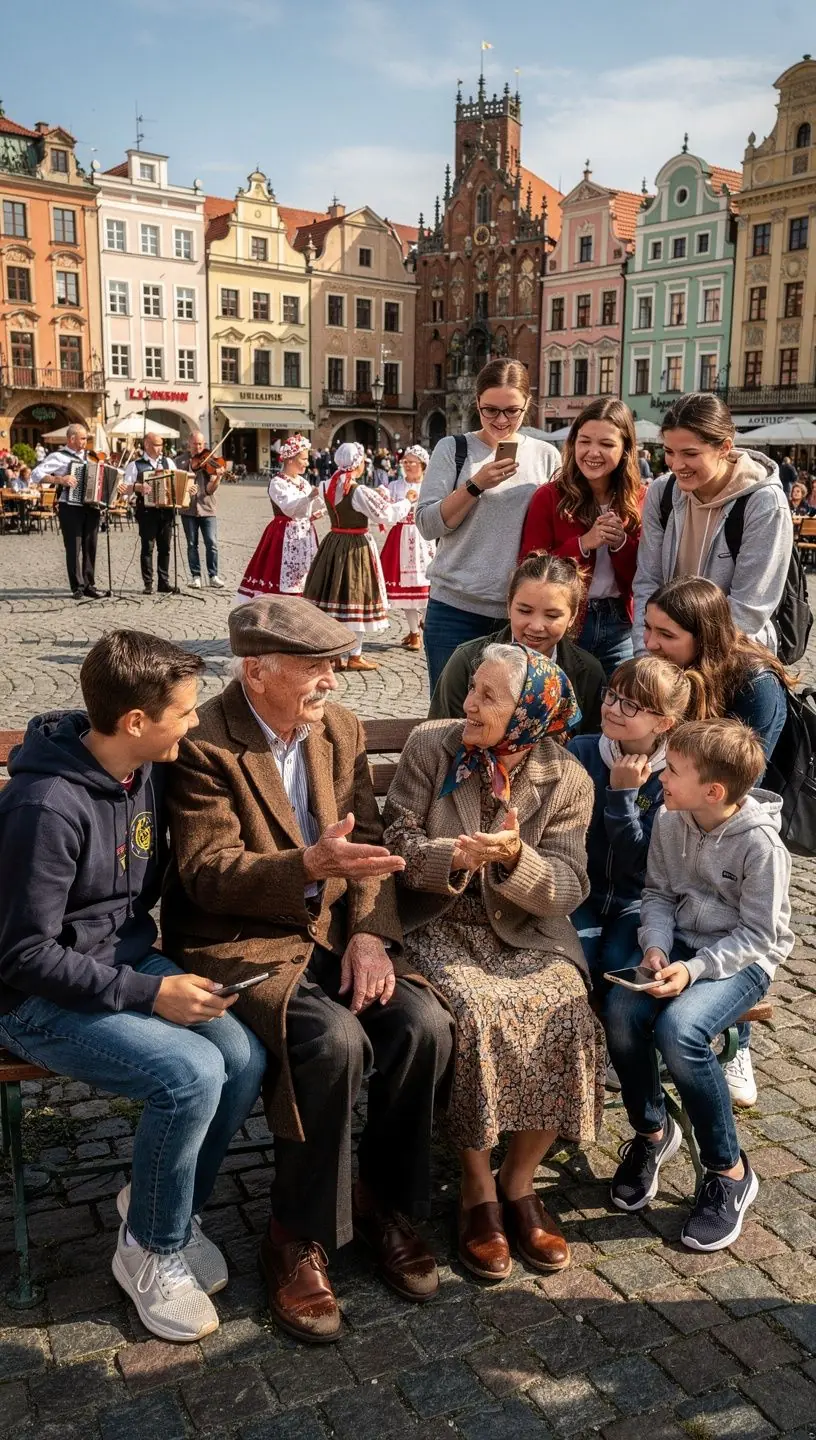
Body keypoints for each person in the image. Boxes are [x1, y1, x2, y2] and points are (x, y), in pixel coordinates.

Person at [161, 597, 454, 1344]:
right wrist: (307, 865)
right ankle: (295, 1233)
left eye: (334, 664)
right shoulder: (203, 742)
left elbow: (376, 854)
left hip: (334, 936)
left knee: (423, 1025)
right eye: (314, 667)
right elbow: (205, 874)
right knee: (333, 1043)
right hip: (243, 941)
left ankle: (383, 1201)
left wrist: (372, 938)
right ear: (255, 670)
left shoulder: (341, 729)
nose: (332, 680)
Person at [0, 631, 267, 1343]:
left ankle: (159, 1208)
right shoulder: (46, 807)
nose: (194, 723)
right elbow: (23, 952)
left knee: (241, 1057)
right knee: (189, 1072)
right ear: (136, 722)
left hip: (119, 965)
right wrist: (151, 995)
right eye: (183, 712)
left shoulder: (140, 770)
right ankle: (151, 1251)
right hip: (33, 1000)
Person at [383, 644, 603, 1282]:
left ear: (529, 713)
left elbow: (568, 884)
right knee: (477, 1016)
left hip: (527, 933)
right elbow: (394, 835)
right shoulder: (433, 746)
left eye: (488, 696)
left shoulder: (566, 779)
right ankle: (477, 1187)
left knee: (571, 1015)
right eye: (472, 688)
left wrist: (512, 862)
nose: (469, 704)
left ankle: (519, 1179)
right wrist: (453, 857)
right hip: (440, 924)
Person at [606, 719, 793, 1252]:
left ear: (712, 791)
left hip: (744, 960)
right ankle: (651, 1133)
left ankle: (729, 1171)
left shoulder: (760, 846)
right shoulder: (670, 817)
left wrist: (694, 970)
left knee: (681, 1031)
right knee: (621, 1009)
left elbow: (760, 934)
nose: (662, 773)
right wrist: (657, 949)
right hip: (682, 945)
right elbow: (659, 893)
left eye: (675, 769)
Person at [416, 359, 560, 692]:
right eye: (490, 410)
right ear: (476, 403)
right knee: (450, 712)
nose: (501, 420)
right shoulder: (453, 449)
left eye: (512, 411)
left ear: (527, 405)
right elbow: (427, 525)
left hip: (521, 614)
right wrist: (474, 484)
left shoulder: (546, 455)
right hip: (454, 606)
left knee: (511, 714)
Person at [567, 656, 704, 1004]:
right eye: (611, 695)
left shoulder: (669, 779)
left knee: (615, 965)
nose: (612, 708)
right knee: (578, 956)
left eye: (631, 705)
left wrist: (623, 795)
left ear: (663, 723)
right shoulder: (582, 751)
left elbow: (638, 860)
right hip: (579, 890)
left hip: (637, 901)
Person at [632, 392, 793, 655]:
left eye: (690, 453)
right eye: (669, 452)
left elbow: (748, 610)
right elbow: (648, 582)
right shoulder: (662, 492)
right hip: (666, 652)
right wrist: (645, 653)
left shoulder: (764, 502)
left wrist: (694, 663)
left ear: (725, 448)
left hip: (733, 655)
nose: (676, 465)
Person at [519, 398, 645, 679]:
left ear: (625, 449)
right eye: (585, 441)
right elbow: (529, 568)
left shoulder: (639, 499)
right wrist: (583, 544)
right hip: (565, 620)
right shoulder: (549, 496)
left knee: (619, 707)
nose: (593, 452)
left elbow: (643, 574)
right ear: (573, 443)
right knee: (562, 711)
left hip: (619, 622)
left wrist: (621, 544)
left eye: (607, 444)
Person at [429, 550, 604, 733]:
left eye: (551, 615)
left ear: (572, 616)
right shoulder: (467, 660)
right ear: (508, 605)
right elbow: (439, 737)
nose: (536, 626)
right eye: (525, 611)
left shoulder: (588, 673)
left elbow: (589, 749)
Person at [303, 441, 411, 671]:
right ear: (358, 463)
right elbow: (386, 515)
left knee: (333, 599)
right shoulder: (357, 490)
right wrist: (407, 501)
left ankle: (333, 654)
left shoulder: (325, 485)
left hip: (333, 543)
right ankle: (355, 655)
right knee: (357, 598)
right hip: (356, 546)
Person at [237, 434, 322, 602]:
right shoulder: (278, 483)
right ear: (290, 459)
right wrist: (309, 498)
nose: (307, 463)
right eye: (303, 459)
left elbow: (307, 508)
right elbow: (290, 508)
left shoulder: (303, 482)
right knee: (278, 570)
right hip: (283, 534)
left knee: (304, 573)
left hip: (304, 532)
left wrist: (315, 510)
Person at [31, 423, 102, 599]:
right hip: (70, 507)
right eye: (83, 438)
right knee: (74, 547)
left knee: (90, 547)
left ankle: (89, 585)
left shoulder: (91, 456)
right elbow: (36, 474)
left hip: (91, 506)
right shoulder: (58, 456)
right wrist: (60, 479)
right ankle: (77, 586)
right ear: (72, 439)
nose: (86, 441)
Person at [380, 444, 435, 650]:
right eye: (405, 462)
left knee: (424, 587)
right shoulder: (395, 486)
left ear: (422, 465)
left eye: (412, 462)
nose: (408, 466)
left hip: (422, 537)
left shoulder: (429, 486)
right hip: (400, 537)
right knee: (404, 590)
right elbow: (385, 506)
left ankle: (427, 623)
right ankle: (414, 633)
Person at [124, 433, 177, 595]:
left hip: (166, 511)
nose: (160, 448)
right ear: (147, 445)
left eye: (161, 444)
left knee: (165, 548)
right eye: (156, 444)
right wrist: (137, 487)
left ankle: (164, 582)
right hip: (146, 512)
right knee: (147, 547)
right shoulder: (136, 465)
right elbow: (125, 488)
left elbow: (178, 480)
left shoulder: (168, 462)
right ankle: (148, 583)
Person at [178, 430, 225, 590]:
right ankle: (196, 576)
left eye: (200, 444)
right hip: (188, 510)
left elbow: (210, 489)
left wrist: (217, 477)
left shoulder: (210, 461)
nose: (198, 447)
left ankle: (213, 575)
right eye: (195, 444)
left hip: (207, 509)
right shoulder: (180, 461)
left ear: (204, 444)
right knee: (192, 544)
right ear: (189, 444)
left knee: (211, 543)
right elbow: (178, 482)